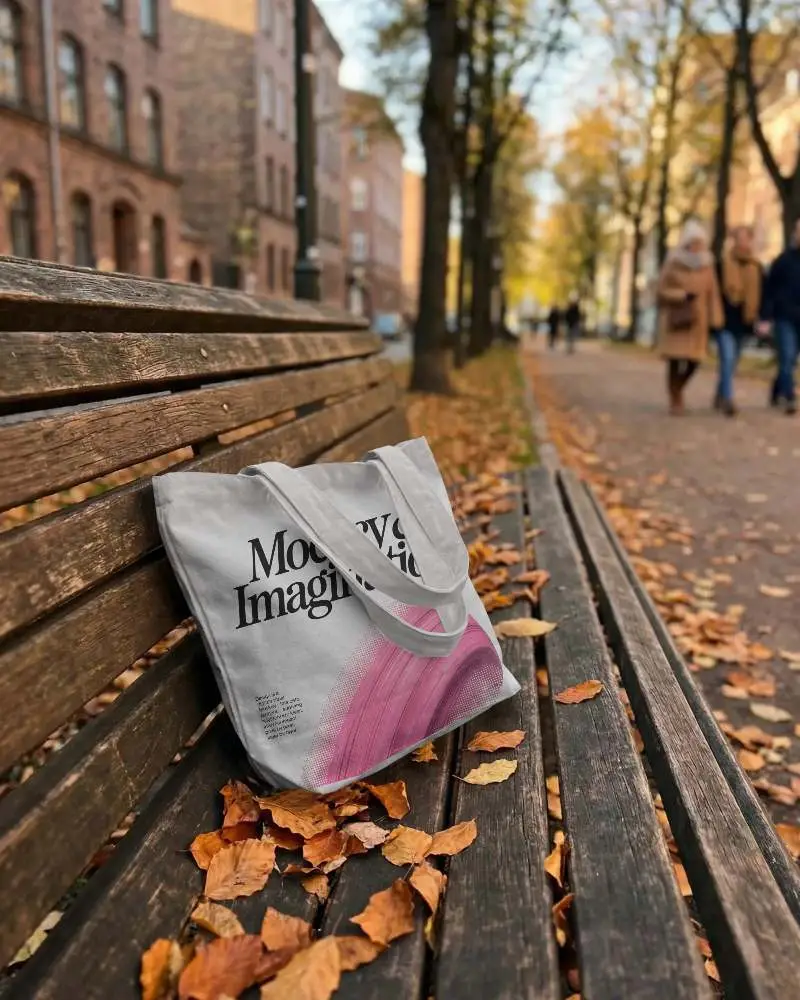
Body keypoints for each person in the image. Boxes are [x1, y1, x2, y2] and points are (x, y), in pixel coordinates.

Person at [657, 219, 724, 415]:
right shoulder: (673, 262)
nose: (697, 246)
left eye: (700, 243)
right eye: (694, 242)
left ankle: (678, 389)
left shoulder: (707, 265)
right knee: (675, 361)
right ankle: (675, 399)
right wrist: (681, 295)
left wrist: (716, 318)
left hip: (698, 321)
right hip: (677, 319)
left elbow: (713, 293)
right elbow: (661, 290)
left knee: (695, 362)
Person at [716, 225, 762, 416]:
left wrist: (762, 317)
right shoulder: (722, 264)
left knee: (732, 361)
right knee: (727, 358)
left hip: (745, 322)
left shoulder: (756, 267)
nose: (742, 242)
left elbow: (763, 295)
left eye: (745, 238)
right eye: (738, 238)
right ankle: (728, 398)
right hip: (725, 321)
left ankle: (719, 393)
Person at [759, 217, 800, 415]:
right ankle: (789, 396)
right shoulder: (783, 261)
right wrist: (766, 318)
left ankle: (777, 390)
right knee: (787, 356)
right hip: (785, 318)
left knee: (790, 360)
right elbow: (769, 291)